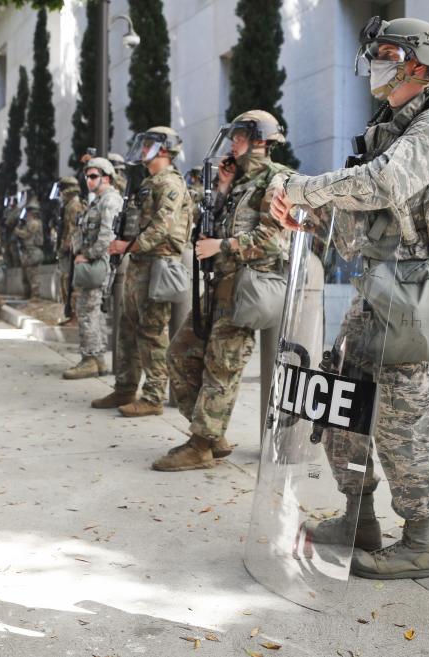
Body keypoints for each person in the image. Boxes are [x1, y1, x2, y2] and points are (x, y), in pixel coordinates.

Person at [269, 16, 429, 579]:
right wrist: (308, 217)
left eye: (386, 51)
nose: (376, 62)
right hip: (372, 288)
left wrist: (303, 188)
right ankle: (358, 518)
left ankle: (420, 541)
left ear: (418, 62)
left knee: (403, 419)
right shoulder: (389, 125)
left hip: (409, 291)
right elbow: (364, 209)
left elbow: (385, 184)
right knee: (340, 406)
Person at [151, 110, 294, 472]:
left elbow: (273, 241)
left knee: (222, 367)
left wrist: (223, 247)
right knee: (180, 354)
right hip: (219, 288)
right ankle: (211, 433)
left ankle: (201, 446)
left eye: (239, 137)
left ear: (258, 139)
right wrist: (225, 189)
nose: (233, 144)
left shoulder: (277, 182)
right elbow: (213, 221)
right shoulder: (240, 181)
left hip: (246, 287)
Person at [93, 127, 192, 417]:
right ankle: (125, 387)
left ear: (163, 149)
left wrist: (129, 245)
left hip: (157, 263)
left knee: (151, 333)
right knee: (127, 330)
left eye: (149, 144)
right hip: (141, 262)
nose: (143, 148)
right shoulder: (150, 181)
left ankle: (153, 397)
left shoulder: (170, 182)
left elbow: (164, 225)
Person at [63, 157, 122, 379]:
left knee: (87, 310)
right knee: (92, 311)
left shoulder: (110, 200)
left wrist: (86, 255)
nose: (88, 180)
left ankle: (89, 359)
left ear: (106, 178)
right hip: (95, 262)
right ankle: (97, 359)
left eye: (94, 176)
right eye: (87, 176)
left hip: (99, 263)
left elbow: (107, 235)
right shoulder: (98, 201)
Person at [56, 176, 84, 325]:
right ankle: (72, 315)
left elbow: (74, 232)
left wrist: (63, 247)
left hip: (71, 252)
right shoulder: (69, 206)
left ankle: (75, 317)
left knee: (70, 281)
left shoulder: (73, 206)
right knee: (66, 281)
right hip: (68, 251)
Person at [15, 195, 44, 300]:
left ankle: (35, 296)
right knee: (26, 275)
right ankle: (27, 294)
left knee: (33, 275)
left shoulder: (34, 223)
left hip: (33, 251)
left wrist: (17, 231)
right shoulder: (30, 222)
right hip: (28, 251)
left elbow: (27, 234)